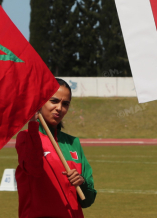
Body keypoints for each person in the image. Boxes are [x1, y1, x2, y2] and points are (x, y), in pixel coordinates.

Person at [15, 78, 97, 218]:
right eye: (54, 101)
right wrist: (33, 125)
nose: (59, 108)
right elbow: (33, 168)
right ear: (40, 102)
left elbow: (88, 200)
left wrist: (81, 182)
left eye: (65, 104)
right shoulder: (26, 137)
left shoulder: (73, 143)